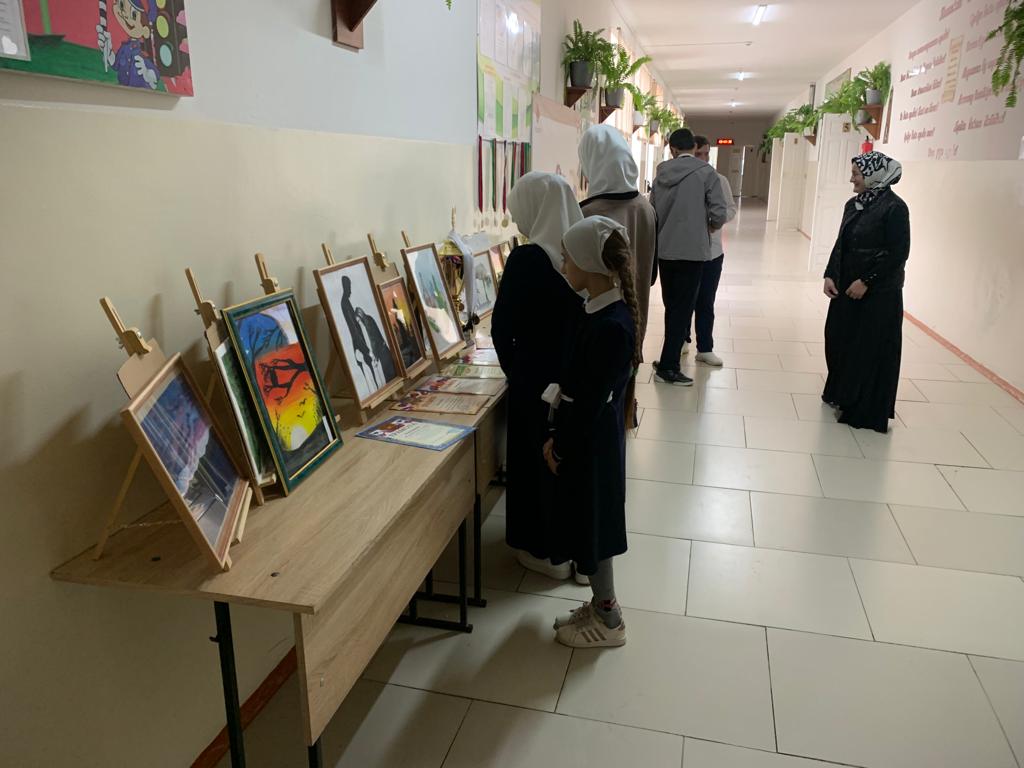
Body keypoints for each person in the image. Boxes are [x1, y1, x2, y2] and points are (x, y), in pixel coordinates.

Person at [542, 216, 639, 648]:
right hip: (587, 442)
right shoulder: (598, 311)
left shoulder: (611, 326)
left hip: (590, 449)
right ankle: (602, 605)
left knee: (595, 530)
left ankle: (609, 620)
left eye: (567, 257)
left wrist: (561, 448)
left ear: (587, 263)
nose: (563, 264)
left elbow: (587, 404)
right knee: (589, 526)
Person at [492, 172, 585, 581]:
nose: (517, 221)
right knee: (567, 461)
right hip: (577, 377)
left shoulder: (527, 259)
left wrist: (515, 371)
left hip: (534, 381)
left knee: (535, 463)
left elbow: (501, 328)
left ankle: (545, 554)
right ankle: (577, 553)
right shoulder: (584, 255)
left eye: (519, 211)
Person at [822, 152, 910, 433]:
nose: (852, 180)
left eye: (856, 174)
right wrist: (830, 274)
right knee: (838, 339)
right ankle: (841, 392)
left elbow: (898, 253)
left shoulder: (895, 208)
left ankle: (863, 407)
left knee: (867, 348)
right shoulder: (854, 204)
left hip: (879, 293)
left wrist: (867, 281)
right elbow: (842, 243)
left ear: (873, 175)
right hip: (847, 286)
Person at [650, 128, 729, 385]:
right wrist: (709, 226)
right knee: (683, 309)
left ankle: (668, 357)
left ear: (672, 149)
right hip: (693, 252)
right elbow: (720, 212)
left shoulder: (661, 174)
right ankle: (668, 367)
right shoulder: (706, 173)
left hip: (665, 250)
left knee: (672, 306)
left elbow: (652, 211)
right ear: (693, 148)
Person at [578, 125, 658, 338]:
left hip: (598, 325)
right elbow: (650, 275)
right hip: (636, 318)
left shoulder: (586, 213)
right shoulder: (646, 208)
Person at [684, 135, 737, 367]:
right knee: (684, 300)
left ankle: (705, 348)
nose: (703, 158)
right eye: (699, 154)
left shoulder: (719, 180)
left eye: (706, 153)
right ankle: (682, 340)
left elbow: (730, 209)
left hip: (712, 252)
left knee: (706, 301)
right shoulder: (684, 180)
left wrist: (715, 221)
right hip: (686, 251)